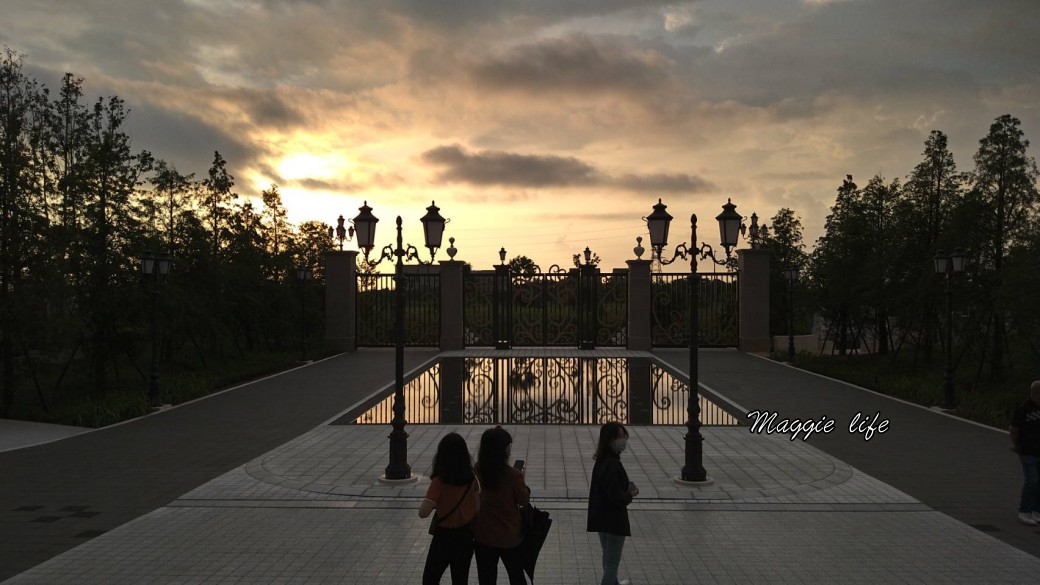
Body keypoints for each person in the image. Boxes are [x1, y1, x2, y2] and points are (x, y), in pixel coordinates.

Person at [419, 432, 481, 585]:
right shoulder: (471, 479)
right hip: (465, 536)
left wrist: (439, 504)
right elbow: (477, 509)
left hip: (444, 538)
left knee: (430, 579)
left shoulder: (439, 482)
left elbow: (423, 513)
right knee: (460, 580)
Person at [473, 426, 530, 585]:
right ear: (503, 450)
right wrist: (522, 480)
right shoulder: (513, 475)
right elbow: (523, 500)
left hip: (483, 533)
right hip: (509, 534)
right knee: (516, 576)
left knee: (486, 578)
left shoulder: (478, 468)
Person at [587, 422, 637, 585]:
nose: (623, 440)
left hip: (601, 518)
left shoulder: (602, 461)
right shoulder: (613, 465)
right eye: (620, 437)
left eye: (624, 436)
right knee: (611, 563)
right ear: (610, 440)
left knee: (607, 556)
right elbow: (616, 497)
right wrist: (630, 494)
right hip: (614, 520)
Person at [1010, 380, 1040, 526]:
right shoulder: (1022, 410)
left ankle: (1036, 510)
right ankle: (1024, 510)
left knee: (1038, 481)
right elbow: (1014, 430)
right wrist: (1017, 445)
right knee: (1032, 480)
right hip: (1027, 450)